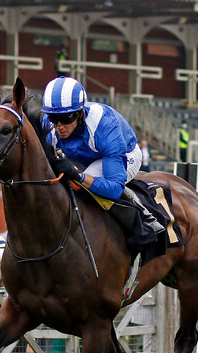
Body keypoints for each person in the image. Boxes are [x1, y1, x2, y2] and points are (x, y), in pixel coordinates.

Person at [41, 76, 164, 236]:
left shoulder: (104, 125)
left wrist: (78, 175)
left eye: (65, 119)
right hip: (85, 156)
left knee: (84, 186)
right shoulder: (49, 124)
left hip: (126, 153)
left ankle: (144, 214)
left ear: (79, 113)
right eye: (53, 118)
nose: (59, 126)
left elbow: (113, 188)